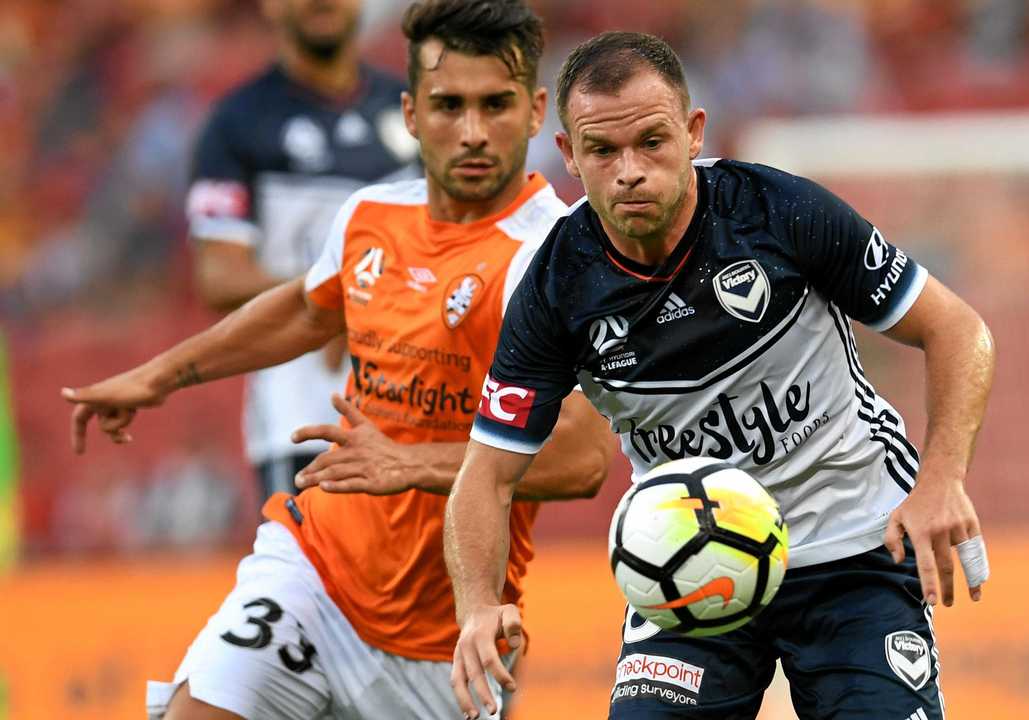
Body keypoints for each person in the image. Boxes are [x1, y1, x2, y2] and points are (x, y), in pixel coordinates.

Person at [62, 2, 616, 719]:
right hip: (313, 568)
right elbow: (306, 308)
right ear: (410, 113)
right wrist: (159, 376)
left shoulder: (555, 260)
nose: (473, 132)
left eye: (496, 104)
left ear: (537, 110)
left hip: (443, 635)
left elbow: (584, 462)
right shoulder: (369, 218)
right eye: (449, 105)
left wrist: (409, 462)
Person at [445, 31, 996, 720]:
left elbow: (957, 329)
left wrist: (941, 478)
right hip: (684, 571)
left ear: (693, 130)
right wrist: (475, 608)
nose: (629, 171)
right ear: (568, 155)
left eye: (652, 142)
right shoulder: (556, 287)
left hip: (853, 543)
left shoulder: (779, 212)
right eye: (602, 150)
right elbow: (485, 475)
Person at [187, 0, 420, 502]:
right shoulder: (236, 122)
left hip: (418, 387)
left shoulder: (411, 108)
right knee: (306, 570)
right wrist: (337, 296)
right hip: (301, 397)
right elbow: (220, 276)